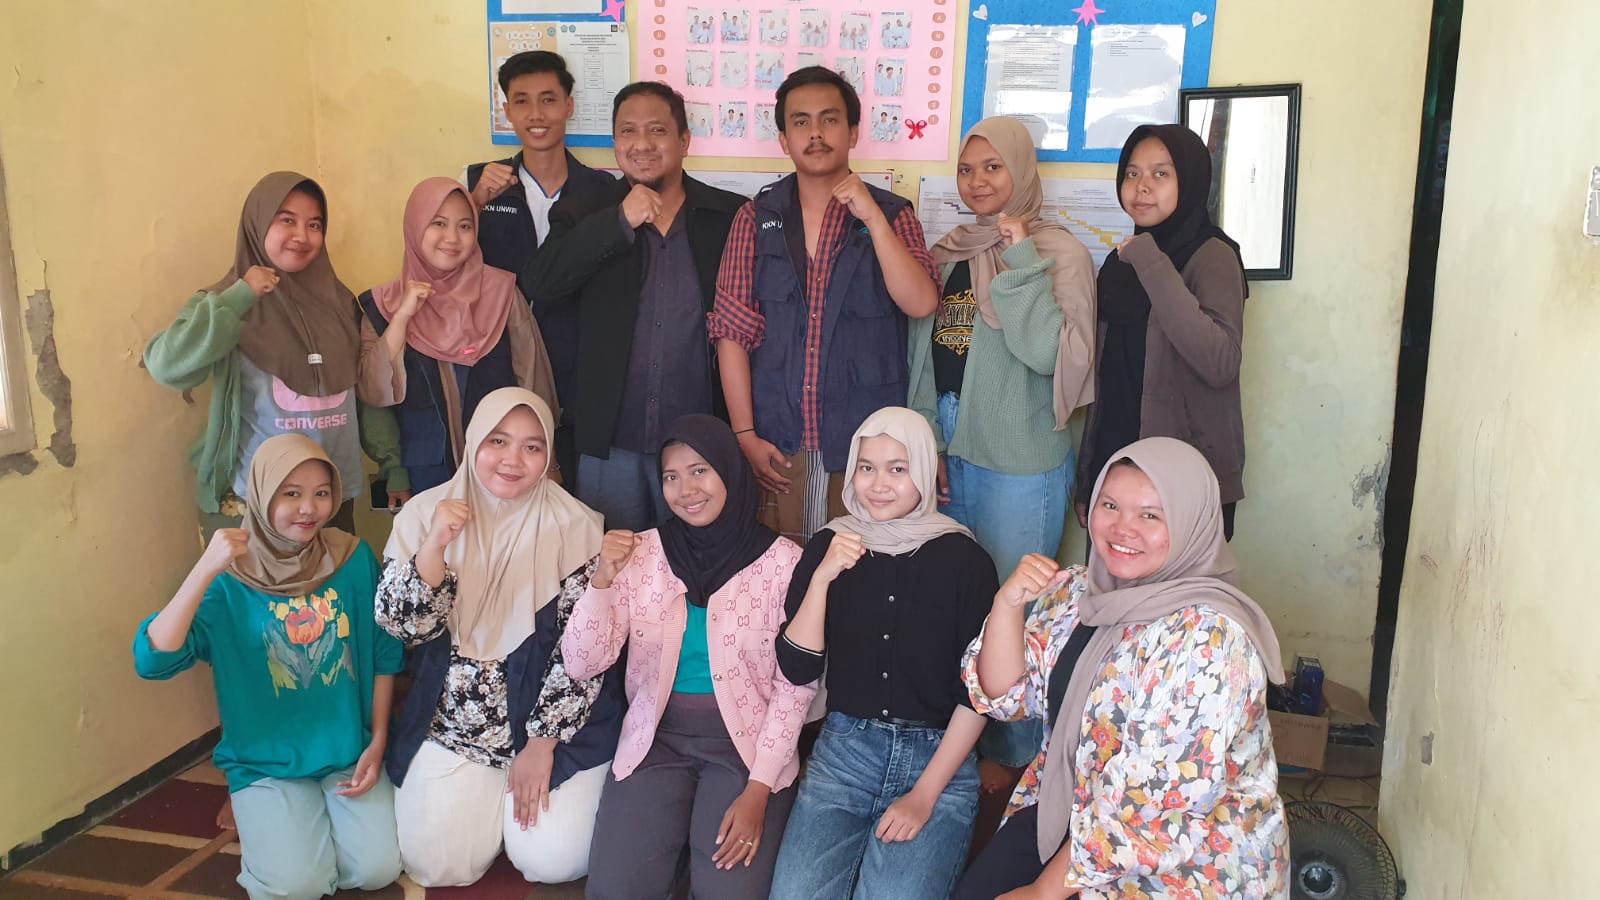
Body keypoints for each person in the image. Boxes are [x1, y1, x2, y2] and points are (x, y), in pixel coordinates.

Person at [954, 437, 1289, 899]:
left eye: (1150, 515)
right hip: (1068, 808)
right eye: (1110, 505)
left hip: (1188, 859)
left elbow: (1156, 805)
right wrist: (1007, 605)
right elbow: (1004, 697)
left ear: (1191, 522)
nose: (1122, 528)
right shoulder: (1078, 591)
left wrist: (1041, 893)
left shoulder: (1208, 639)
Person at [910, 116, 1097, 791]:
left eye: (993, 167)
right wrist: (927, 438)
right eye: (967, 169)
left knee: (1016, 607)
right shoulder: (951, 250)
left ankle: (1019, 759)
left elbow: (1052, 356)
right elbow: (926, 352)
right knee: (958, 598)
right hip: (952, 439)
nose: (978, 181)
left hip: (1018, 453)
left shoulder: (1058, 252)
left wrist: (1020, 263)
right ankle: (962, 745)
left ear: (1021, 171)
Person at [134, 435, 403, 899]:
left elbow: (384, 653)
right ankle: (263, 811)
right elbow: (153, 660)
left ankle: (286, 823)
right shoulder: (228, 577)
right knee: (298, 886)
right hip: (266, 763)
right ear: (260, 495)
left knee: (377, 869)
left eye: (322, 493)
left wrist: (377, 742)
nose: (309, 509)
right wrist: (204, 569)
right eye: (290, 493)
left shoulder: (351, 558)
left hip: (347, 753)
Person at [376, 388, 623, 887]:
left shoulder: (578, 527)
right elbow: (405, 628)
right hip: (454, 726)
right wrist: (434, 547)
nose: (513, 460)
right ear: (473, 442)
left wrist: (542, 745)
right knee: (437, 865)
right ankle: (486, 800)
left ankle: (513, 807)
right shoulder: (425, 514)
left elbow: (583, 654)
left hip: (550, 728)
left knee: (552, 861)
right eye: (498, 441)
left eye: (533, 447)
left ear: (548, 454)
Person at [562, 415, 816, 898]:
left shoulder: (784, 564)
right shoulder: (641, 553)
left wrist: (759, 789)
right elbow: (581, 663)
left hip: (746, 748)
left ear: (729, 470)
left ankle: (689, 849)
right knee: (615, 892)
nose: (686, 490)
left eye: (700, 470)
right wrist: (602, 580)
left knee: (729, 893)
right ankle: (676, 846)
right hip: (656, 740)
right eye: (671, 477)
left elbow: (796, 687)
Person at [769, 408, 996, 900]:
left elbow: (979, 693)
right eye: (866, 467)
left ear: (924, 469)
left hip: (938, 759)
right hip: (845, 753)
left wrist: (924, 795)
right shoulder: (829, 544)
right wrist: (822, 578)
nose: (878, 484)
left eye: (898, 468)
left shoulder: (967, 560)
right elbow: (797, 667)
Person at [710, 66, 939, 545]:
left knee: (858, 566)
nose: (815, 133)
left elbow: (920, 302)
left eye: (829, 120)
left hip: (866, 449)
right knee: (782, 564)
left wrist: (872, 218)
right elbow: (732, 333)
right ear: (783, 139)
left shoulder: (892, 214)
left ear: (853, 132)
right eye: (801, 122)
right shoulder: (755, 218)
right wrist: (744, 434)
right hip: (777, 440)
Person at [524, 81, 747, 532]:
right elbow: (541, 283)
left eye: (657, 131)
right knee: (612, 559)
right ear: (615, 143)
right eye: (628, 131)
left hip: (699, 446)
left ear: (684, 140)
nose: (641, 144)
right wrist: (618, 221)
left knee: (693, 561)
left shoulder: (728, 217)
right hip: (610, 444)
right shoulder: (585, 212)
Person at [144, 172, 385, 537]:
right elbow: (167, 366)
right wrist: (241, 296)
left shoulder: (339, 303)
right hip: (252, 500)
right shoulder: (226, 299)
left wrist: (391, 463)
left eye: (314, 225)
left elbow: (363, 392)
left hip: (328, 499)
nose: (302, 236)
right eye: (286, 220)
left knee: (333, 578)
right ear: (257, 224)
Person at [1075, 124, 1249, 541]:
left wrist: (1151, 261)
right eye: (1132, 173)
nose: (1142, 187)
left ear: (1189, 181)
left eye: (1160, 174)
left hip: (1186, 471)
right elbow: (1110, 378)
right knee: (1112, 580)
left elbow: (1219, 362)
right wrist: (1089, 477)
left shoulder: (1213, 256)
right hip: (1118, 464)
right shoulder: (1118, 263)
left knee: (1176, 583)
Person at [356, 177, 559, 503]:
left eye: (465, 226)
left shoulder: (502, 293)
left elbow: (534, 381)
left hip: (505, 469)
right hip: (426, 475)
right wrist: (403, 317)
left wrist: (548, 460)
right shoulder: (383, 305)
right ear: (415, 226)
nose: (452, 238)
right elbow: (373, 392)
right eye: (438, 223)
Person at [467, 51, 618, 484]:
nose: (536, 114)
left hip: (578, 370)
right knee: (505, 488)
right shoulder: (479, 183)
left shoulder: (603, 190)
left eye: (548, 100)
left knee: (574, 492)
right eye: (522, 101)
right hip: (501, 366)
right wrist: (475, 204)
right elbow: (447, 265)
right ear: (507, 110)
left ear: (568, 106)